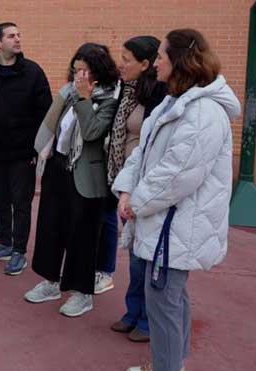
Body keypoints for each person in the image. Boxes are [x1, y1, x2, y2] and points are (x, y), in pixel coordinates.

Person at [115, 29, 240, 371]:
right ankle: (170, 365)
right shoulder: (174, 102)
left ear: (180, 61)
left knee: (164, 303)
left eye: (161, 56)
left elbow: (177, 174)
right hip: (166, 223)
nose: (155, 63)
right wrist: (127, 189)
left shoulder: (202, 113)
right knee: (169, 299)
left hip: (177, 225)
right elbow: (143, 154)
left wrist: (136, 203)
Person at [25, 43, 119, 318]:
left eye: (85, 70)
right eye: (76, 70)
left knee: (83, 235)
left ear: (98, 72)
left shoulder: (109, 98)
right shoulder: (69, 93)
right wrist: (68, 95)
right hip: (58, 166)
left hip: (86, 175)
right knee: (50, 226)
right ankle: (50, 282)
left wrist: (84, 99)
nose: (79, 76)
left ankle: (82, 293)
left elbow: (91, 132)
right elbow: (52, 125)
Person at [104, 36, 167, 343]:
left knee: (147, 257)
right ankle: (133, 313)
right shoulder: (128, 91)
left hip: (147, 188)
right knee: (134, 255)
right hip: (126, 183)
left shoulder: (161, 95)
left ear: (145, 64)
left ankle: (146, 320)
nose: (121, 64)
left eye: (126, 59)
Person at [0, 22, 52, 275]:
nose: (18, 39)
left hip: (23, 153)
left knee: (21, 202)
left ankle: (19, 250)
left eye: (19, 35)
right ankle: (4, 243)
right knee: (0, 199)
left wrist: (37, 150)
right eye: (11, 36)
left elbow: (45, 113)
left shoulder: (33, 72)